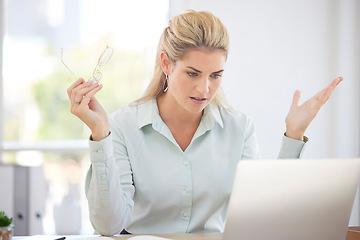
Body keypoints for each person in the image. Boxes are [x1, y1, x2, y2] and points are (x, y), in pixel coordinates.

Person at [67, 10, 343, 236]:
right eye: (193, 73)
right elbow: (108, 225)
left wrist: (294, 135)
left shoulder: (239, 128)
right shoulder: (123, 127)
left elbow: (264, 216)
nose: (204, 89)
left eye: (215, 75)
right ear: (166, 64)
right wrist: (100, 134)